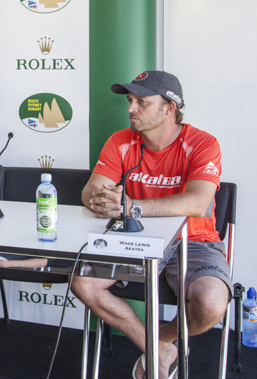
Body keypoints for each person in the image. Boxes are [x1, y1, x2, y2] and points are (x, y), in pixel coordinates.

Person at [71, 70, 230, 379]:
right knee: (82, 282)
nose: (131, 109)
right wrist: (99, 200)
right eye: (130, 101)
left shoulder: (202, 143)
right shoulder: (121, 140)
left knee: (211, 303)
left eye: (142, 102)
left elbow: (197, 203)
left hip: (193, 240)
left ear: (170, 108)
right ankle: (154, 346)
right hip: (136, 240)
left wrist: (132, 207)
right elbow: (91, 190)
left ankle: (162, 339)